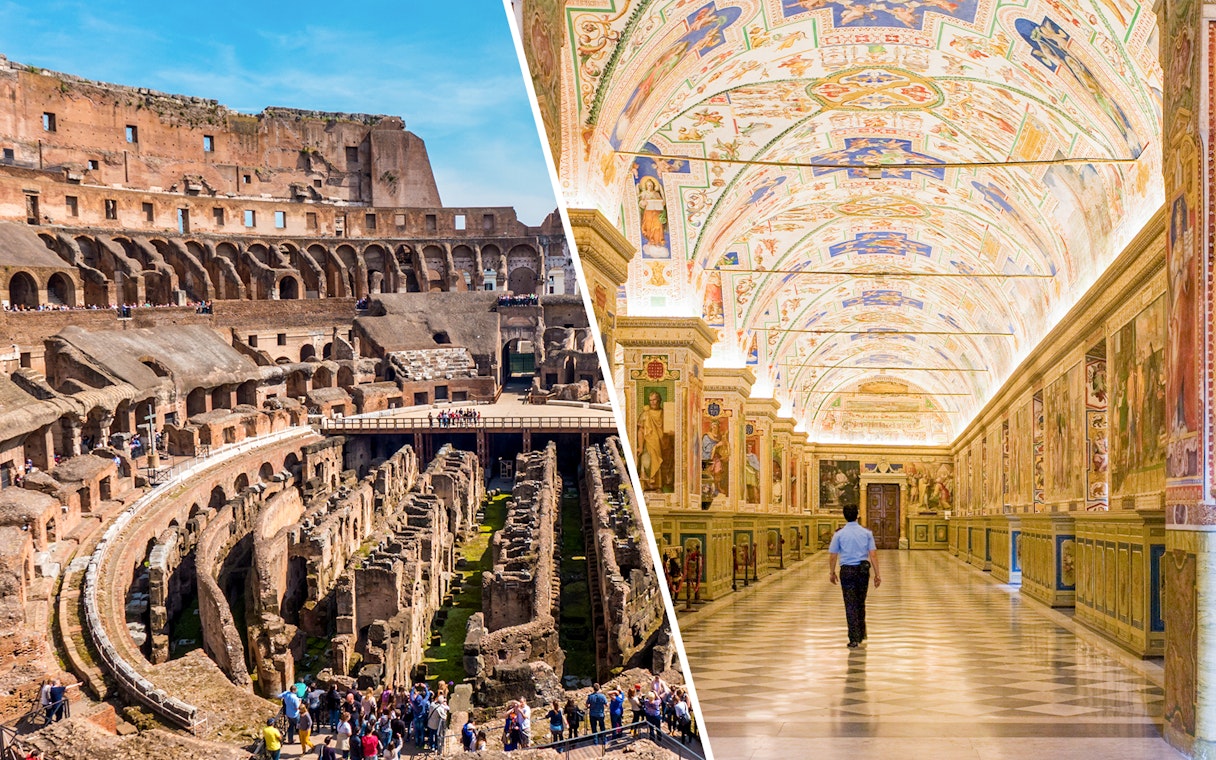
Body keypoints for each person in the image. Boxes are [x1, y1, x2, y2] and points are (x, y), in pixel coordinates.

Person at [828, 503, 882, 648]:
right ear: (857, 515)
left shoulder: (839, 534)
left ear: (844, 516)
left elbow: (833, 556)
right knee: (860, 601)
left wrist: (832, 572)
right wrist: (877, 575)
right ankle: (861, 633)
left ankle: (854, 638)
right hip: (863, 571)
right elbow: (873, 555)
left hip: (847, 571)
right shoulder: (866, 533)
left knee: (850, 603)